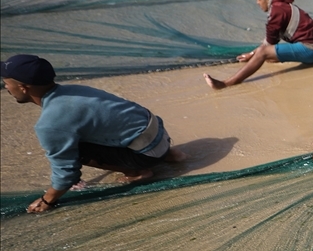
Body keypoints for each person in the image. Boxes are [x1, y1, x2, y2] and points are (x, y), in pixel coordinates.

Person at [2, 54, 186, 213]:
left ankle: (138, 171)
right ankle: (169, 155)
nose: (6, 88)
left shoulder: (49, 124)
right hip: (161, 136)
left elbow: (66, 172)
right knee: (97, 127)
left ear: (24, 87)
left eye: (6, 83)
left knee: (75, 149)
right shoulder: (76, 90)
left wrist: (47, 200)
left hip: (147, 154)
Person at [205, 0, 313, 89]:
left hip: (309, 50)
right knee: (268, 57)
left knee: (262, 53)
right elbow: (272, 40)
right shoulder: (284, 5)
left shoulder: (277, 9)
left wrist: (251, 54)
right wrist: (253, 55)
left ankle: (226, 83)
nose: (257, 3)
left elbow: (270, 42)